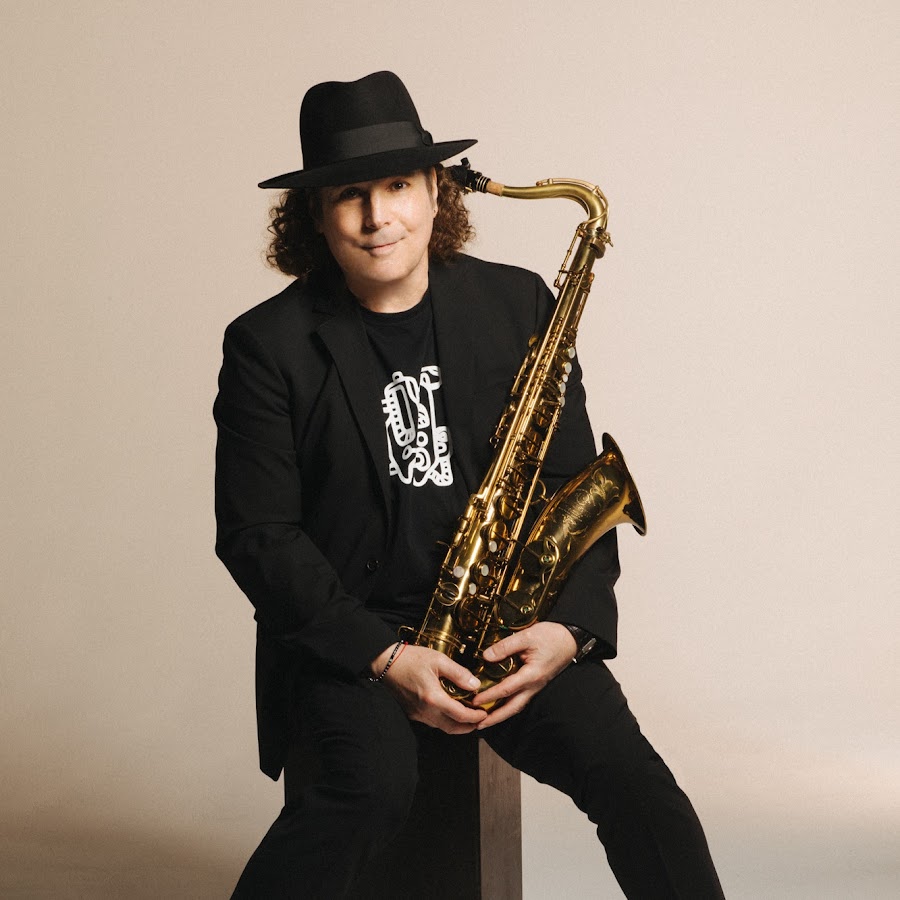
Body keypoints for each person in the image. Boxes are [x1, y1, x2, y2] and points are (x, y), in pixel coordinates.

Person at [214, 70, 724, 899]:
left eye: (397, 186)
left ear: (434, 190)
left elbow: (570, 487)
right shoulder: (267, 346)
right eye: (349, 195)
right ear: (314, 214)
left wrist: (569, 630)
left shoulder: (516, 302)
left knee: (638, 786)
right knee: (369, 789)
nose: (378, 217)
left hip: (506, 622)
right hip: (355, 642)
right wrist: (384, 657)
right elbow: (257, 537)